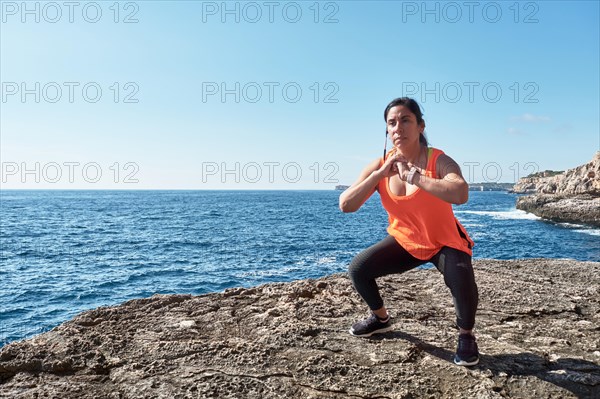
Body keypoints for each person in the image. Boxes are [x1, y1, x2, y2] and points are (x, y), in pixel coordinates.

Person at [339, 97, 479, 366]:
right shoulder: (381, 164)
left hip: (443, 241)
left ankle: (466, 335)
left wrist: (415, 176)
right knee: (359, 269)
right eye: (392, 123)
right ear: (387, 131)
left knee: (461, 279)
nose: (398, 127)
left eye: (405, 120)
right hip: (406, 241)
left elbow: (460, 193)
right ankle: (381, 319)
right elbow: (346, 204)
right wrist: (379, 175)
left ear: (420, 126)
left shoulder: (439, 160)